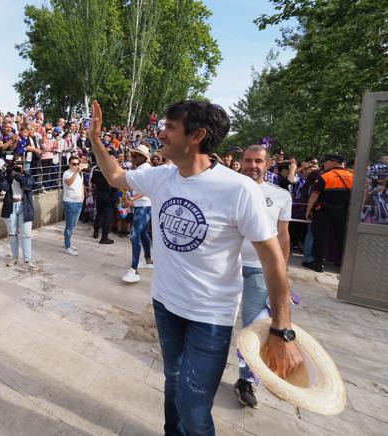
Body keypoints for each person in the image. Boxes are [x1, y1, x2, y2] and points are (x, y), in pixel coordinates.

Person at [88, 99, 301, 435]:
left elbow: (274, 260)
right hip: (165, 304)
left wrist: (281, 330)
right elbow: (115, 177)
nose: (161, 133)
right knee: (172, 381)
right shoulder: (160, 177)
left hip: (210, 316)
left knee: (193, 405)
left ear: (197, 135)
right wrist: (96, 140)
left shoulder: (239, 189)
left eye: (170, 127)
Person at [235, 144, 292, 408]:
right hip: (226, 268)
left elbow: (283, 236)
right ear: (241, 162)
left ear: (267, 164)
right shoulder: (229, 188)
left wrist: (282, 275)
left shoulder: (280, 195)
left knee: (253, 328)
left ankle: (245, 380)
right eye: (248, 160)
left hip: (259, 270)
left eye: (258, 161)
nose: (252, 166)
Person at [303, 153, 353, 272]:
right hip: (344, 212)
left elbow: (315, 194)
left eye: (326, 161)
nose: (324, 164)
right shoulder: (353, 176)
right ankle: (344, 266)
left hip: (324, 211)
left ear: (333, 162)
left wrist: (308, 210)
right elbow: (363, 192)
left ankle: (318, 264)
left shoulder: (325, 176)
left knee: (320, 237)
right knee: (341, 238)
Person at [121, 144, 153, 283]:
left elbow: (148, 189)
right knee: (143, 233)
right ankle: (148, 260)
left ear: (143, 158)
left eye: (135, 156)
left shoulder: (145, 170)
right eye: (132, 155)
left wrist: (133, 198)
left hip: (144, 205)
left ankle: (134, 270)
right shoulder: (141, 168)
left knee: (134, 235)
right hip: (142, 205)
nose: (132, 158)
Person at [0, 155, 36, 269]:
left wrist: (18, 175)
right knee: (12, 234)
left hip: (24, 206)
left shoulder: (27, 174)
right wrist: (5, 175)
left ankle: (27, 260)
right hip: (11, 205)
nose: (17, 166)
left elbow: (28, 186)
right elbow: (2, 187)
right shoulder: (8, 174)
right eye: (15, 163)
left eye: (20, 163)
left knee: (26, 234)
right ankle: (15, 257)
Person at [62, 154, 84, 256]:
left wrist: (83, 196)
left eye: (77, 164)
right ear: (69, 164)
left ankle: (68, 243)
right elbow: (69, 183)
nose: (76, 166)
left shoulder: (79, 174)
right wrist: (76, 173)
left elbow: (81, 185)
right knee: (69, 226)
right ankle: (67, 246)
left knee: (74, 224)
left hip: (78, 202)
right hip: (69, 202)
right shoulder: (67, 173)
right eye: (73, 164)